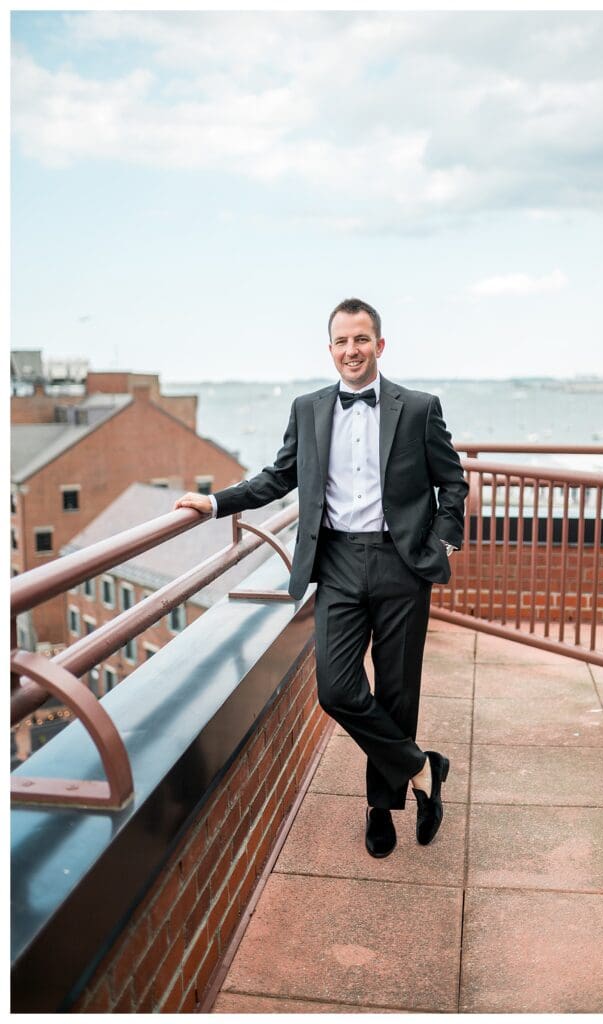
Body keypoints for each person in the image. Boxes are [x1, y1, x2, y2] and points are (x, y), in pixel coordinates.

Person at [175, 298, 468, 858]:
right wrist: (215, 504)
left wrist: (441, 541)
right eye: (341, 341)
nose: (352, 350)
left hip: (401, 563)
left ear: (380, 346)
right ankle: (423, 770)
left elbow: (452, 484)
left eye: (362, 340)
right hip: (334, 562)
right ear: (330, 349)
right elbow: (278, 477)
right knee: (337, 689)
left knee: (397, 690)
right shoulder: (308, 409)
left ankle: (381, 808)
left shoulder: (420, 408)